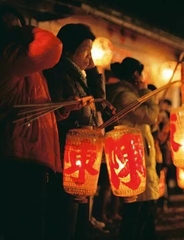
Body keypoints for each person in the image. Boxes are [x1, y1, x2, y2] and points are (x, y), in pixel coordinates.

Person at [0, 5, 84, 240]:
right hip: (18, 157)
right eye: (11, 27)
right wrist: (25, 29)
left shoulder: (24, 67)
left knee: (33, 225)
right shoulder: (9, 59)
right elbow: (52, 47)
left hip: (32, 155)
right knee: (24, 228)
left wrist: (62, 109)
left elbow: (35, 108)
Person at [43, 23, 106, 239]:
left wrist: (92, 66)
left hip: (81, 155)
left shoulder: (79, 75)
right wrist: (66, 108)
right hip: (66, 154)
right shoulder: (58, 73)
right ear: (68, 49)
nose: (89, 56)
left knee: (78, 219)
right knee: (64, 219)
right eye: (85, 50)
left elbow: (98, 98)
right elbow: (52, 112)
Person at [107, 57, 159, 239]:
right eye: (142, 74)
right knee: (136, 210)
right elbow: (150, 116)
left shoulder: (131, 94)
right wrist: (146, 91)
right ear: (136, 74)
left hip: (140, 155)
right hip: (134, 157)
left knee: (144, 208)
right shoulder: (125, 96)